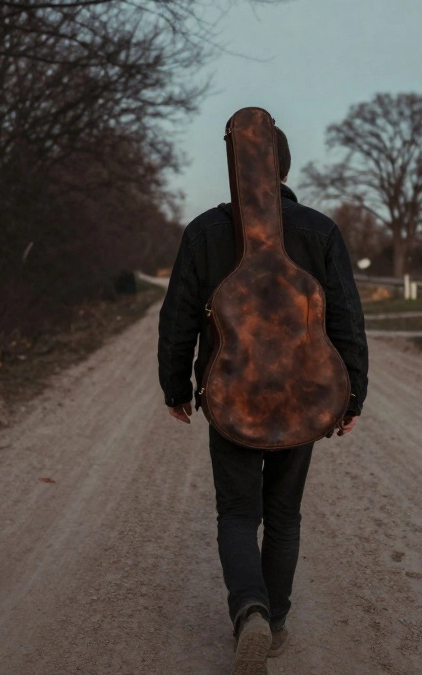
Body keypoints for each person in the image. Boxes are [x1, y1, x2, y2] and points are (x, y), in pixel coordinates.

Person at [157, 125, 368, 673]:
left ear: (236, 168)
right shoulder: (319, 230)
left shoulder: (204, 233)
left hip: (232, 397)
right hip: (306, 395)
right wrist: (353, 395)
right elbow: (346, 316)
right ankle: (273, 625)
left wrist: (175, 387)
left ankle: (247, 608)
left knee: (235, 511)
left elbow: (178, 318)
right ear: (285, 168)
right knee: (284, 515)